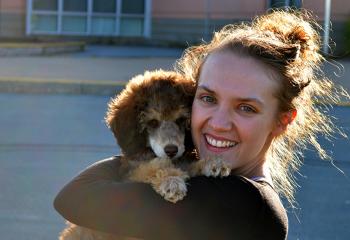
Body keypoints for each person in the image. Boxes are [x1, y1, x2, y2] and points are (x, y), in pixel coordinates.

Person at [54, 10, 348, 240]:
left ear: (282, 121)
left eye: (246, 108)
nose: (219, 123)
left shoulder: (239, 201)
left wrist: (141, 155)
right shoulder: (212, 180)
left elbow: (76, 197)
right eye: (208, 98)